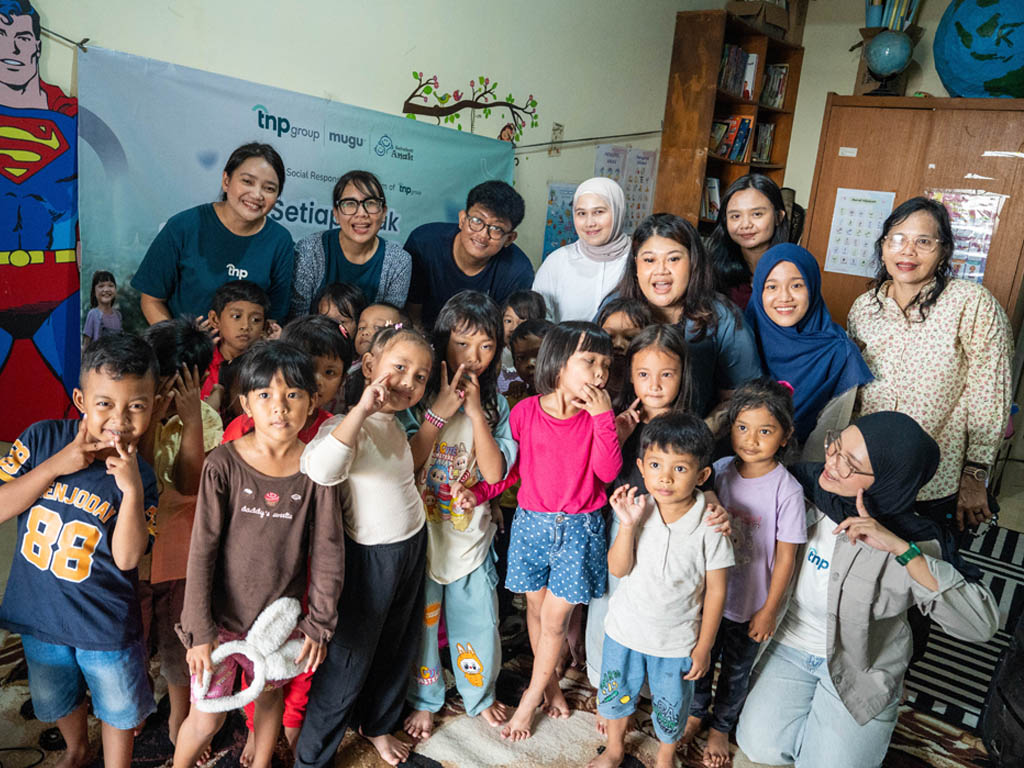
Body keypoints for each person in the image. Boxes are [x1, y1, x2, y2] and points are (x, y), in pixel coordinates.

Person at [736, 412, 1000, 768]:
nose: (832, 462)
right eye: (837, 445)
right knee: (758, 746)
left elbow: (980, 625)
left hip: (861, 665)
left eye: (851, 464)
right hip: (789, 645)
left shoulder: (915, 539)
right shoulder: (802, 486)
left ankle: (873, 712)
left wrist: (902, 551)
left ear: (888, 481)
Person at [172, 342, 345, 768]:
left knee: (270, 701)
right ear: (246, 403)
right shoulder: (224, 464)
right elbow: (202, 551)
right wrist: (198, 629)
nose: (279, 408)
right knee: (206, 719)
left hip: (278, 621)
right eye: (265, 395)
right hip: (220, 622)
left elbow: (327, 551)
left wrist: (319, 623)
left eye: (292, 395)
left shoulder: (316, 470)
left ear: (313, 402)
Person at [0, 333, 160, 768]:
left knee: (118, 706)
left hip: (105, 626)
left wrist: (129, 492)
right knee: (56, 696)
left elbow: (128, 559)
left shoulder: (141, 477)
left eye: (136, 406)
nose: (119, 419)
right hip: (39, 615)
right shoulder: (41, 440)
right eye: (105, 403)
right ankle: (76, 750)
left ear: (152, 406)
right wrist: (56, 466)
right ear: (80, 399)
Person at [295, 325, 435, 768]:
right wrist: (359, 410)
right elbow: (321, 469)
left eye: (420, 377)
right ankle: (311, 758)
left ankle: (377, 724)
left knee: (397, 646)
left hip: (411, 547)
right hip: (371, 559)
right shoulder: (342, 425)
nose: (409, 383)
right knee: (348, 663)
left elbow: (405, 468)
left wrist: (440, 409)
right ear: (370, 366)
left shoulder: (392, 424)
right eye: (399, 368)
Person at [847, 197, 1012, 542]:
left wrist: (975, 475)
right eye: (897, 239)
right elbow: (853, 395)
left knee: (929, 575)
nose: (907, 251)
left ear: (943, 251)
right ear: (882, 247)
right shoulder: (864, 308)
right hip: (869, 475)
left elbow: (989, 395)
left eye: (924, 241)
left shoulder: (972, 304)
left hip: (937, 483)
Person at [496, 322, 621, 741]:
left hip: (579, 529)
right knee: (533, 611)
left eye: (605, 364)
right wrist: (479, 492)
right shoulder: (525, 412)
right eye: (589, 361)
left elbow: (607, 472)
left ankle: (529, 700)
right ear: (558, 364)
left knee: (553, 621)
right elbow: (509, 471)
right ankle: (550, 685)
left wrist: (605, 419)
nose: (599, 372)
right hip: (531, 523)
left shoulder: (597, 419)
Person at [401, 291, 516, 739]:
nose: (474, 356)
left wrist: (474, 412)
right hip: (422, 537)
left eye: (486, 346)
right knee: (423, 627)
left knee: (479, 622)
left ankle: (479, 694)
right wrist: (438, 411)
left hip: (472, 539)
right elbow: (408, 461)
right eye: (463, 343)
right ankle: (425, 698)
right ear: (441, 341)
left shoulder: (495, 406)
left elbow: (494, 470)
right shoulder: (416, 395)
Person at [591, 413, 733, 768]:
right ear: (641, 466)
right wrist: (626, 525)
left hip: (676, 640)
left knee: (671, 706)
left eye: (680, 469)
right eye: (655, 465)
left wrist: (703, 646)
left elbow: (717, 591)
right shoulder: (639, 509)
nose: (665, 477)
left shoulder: (710, 524)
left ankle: (665, 757)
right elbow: (618, 569)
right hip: (625, 631)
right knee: (616, 695)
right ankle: (614, 749)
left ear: (702, 475)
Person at [683, 378, 806, 767]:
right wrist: (708, 493)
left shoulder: (786, 490)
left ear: (785, 436)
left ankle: (721, 725)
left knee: (736, 672)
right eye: (742, 428)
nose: (751, 440)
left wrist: (769, 609)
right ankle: (696, 712)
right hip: (709, 596)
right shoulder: (718, 471)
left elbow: (787, 557)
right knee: (699, 660)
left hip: (751, 602)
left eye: (765, 431)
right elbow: (694, 498)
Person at [138, 319, 221, 747]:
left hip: (177, 554)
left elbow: (189, 484)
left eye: (178, 384)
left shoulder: (204, 419)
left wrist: (188, 418)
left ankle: (177, 713)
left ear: (199, 381)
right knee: (133, 630)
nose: (168, 392)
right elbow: (144, 476)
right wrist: (151, 414)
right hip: (134, 553)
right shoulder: (135, 409)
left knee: (176, 639)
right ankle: (134, 701)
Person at [605, 213, 762, 421]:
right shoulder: (614, 310)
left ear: (693, 262)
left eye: (673, 259)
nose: (661, 271)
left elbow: (742, 397)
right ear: (636, 265)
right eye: (649, 260)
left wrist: (698, 436)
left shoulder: (723, 316)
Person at [132, 142, 294, 325]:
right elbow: (151, 300)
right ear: (226, 181)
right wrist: (180, 343)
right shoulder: (183, 226)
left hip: (248, 352)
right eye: (247, 181)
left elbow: (274, 316)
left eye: (269, 188)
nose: (257, 194)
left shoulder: (280, 241)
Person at [744, 244, 873, 447]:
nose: (784, 297)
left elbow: (827, 439)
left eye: (797, 285)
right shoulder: (743, 338)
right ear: (759, 290)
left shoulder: (838, 352)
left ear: (812, 287)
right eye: (771, 286)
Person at [405, 180, 533, 329]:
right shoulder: (424, 243)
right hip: (422, 340)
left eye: (496, 229)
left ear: (509, 239)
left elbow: (505, 332)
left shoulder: (518, 271)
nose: (483, 235)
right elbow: (411, 317)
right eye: (477, 221)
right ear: (462, 219)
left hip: (481, 345)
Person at [290, 171, 412, 318]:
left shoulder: (398, 262)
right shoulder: (309, 250)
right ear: (336, 213)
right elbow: (297, 320)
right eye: (349, 204)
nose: (361, 213)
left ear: (384, 212)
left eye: (371, 203)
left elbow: (387, 326)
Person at [221, 316, 353, 441]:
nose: (317, 381)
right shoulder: (244, 427)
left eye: (330, 372)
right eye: (309, 368)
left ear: (342, 380)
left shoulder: (335, 432)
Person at [533, 177, 632, 322]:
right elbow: (538, 320)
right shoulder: (558, 262)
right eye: (581, 213)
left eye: (598, 212)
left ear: (618, 211)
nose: (589, 223)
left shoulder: (640, 259)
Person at [708, 174, 789, 309]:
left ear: (778, 217)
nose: (745, 225)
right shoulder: (711, 271)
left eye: (757, 214)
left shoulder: (794, 269)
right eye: (735, 216)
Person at [199, 280, 271, 402]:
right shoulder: (200, 363)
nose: (245, 326)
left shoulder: (269, 370)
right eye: (236, 316)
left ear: (265, 326)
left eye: (256, 319)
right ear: (215, 319)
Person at [597, 297, 654, 406]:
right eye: (609, 336)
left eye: (630, 337)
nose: (618, 344)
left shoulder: (652, 386)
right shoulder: (588, 382)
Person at [499, 290, 547, 394]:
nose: (513, 328)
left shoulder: (546, 357)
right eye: (508, 321)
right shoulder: (494, 354)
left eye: (522, 322)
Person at [83, 270, 122, 349]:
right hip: (98, 359)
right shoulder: (93, 314)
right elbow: (86, 344)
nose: (106, 289)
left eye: (110, 285)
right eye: (101, 286)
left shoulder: (118, 315)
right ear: (94, 291)